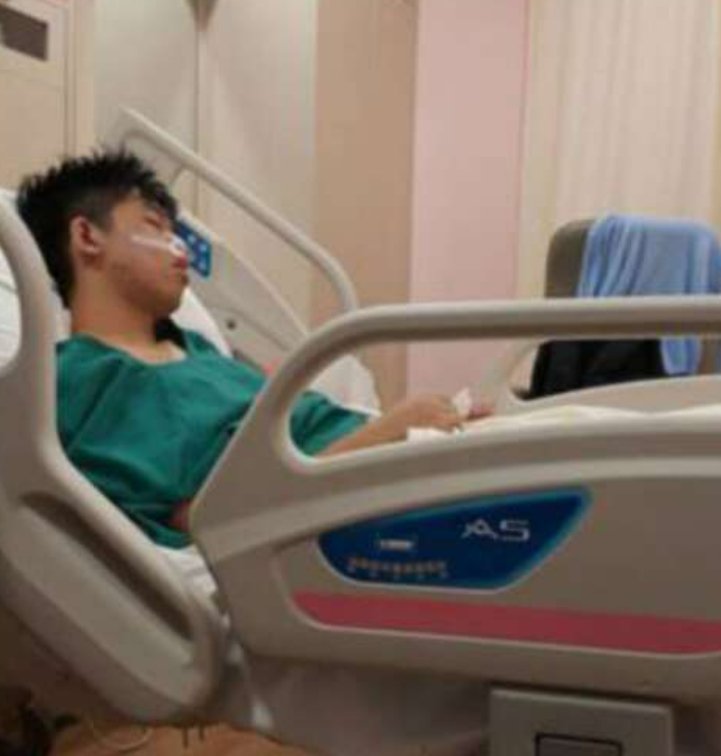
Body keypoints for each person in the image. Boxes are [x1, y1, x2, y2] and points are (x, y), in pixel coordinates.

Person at [16, 150, 486, 550]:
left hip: (393, 469)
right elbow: (212, 519)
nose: (181, 251)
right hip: (355, 513)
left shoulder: (199, 351)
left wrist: (425, 429)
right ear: (87, 237)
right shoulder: (80, 378)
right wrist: (387, 435)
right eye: (155, 228)